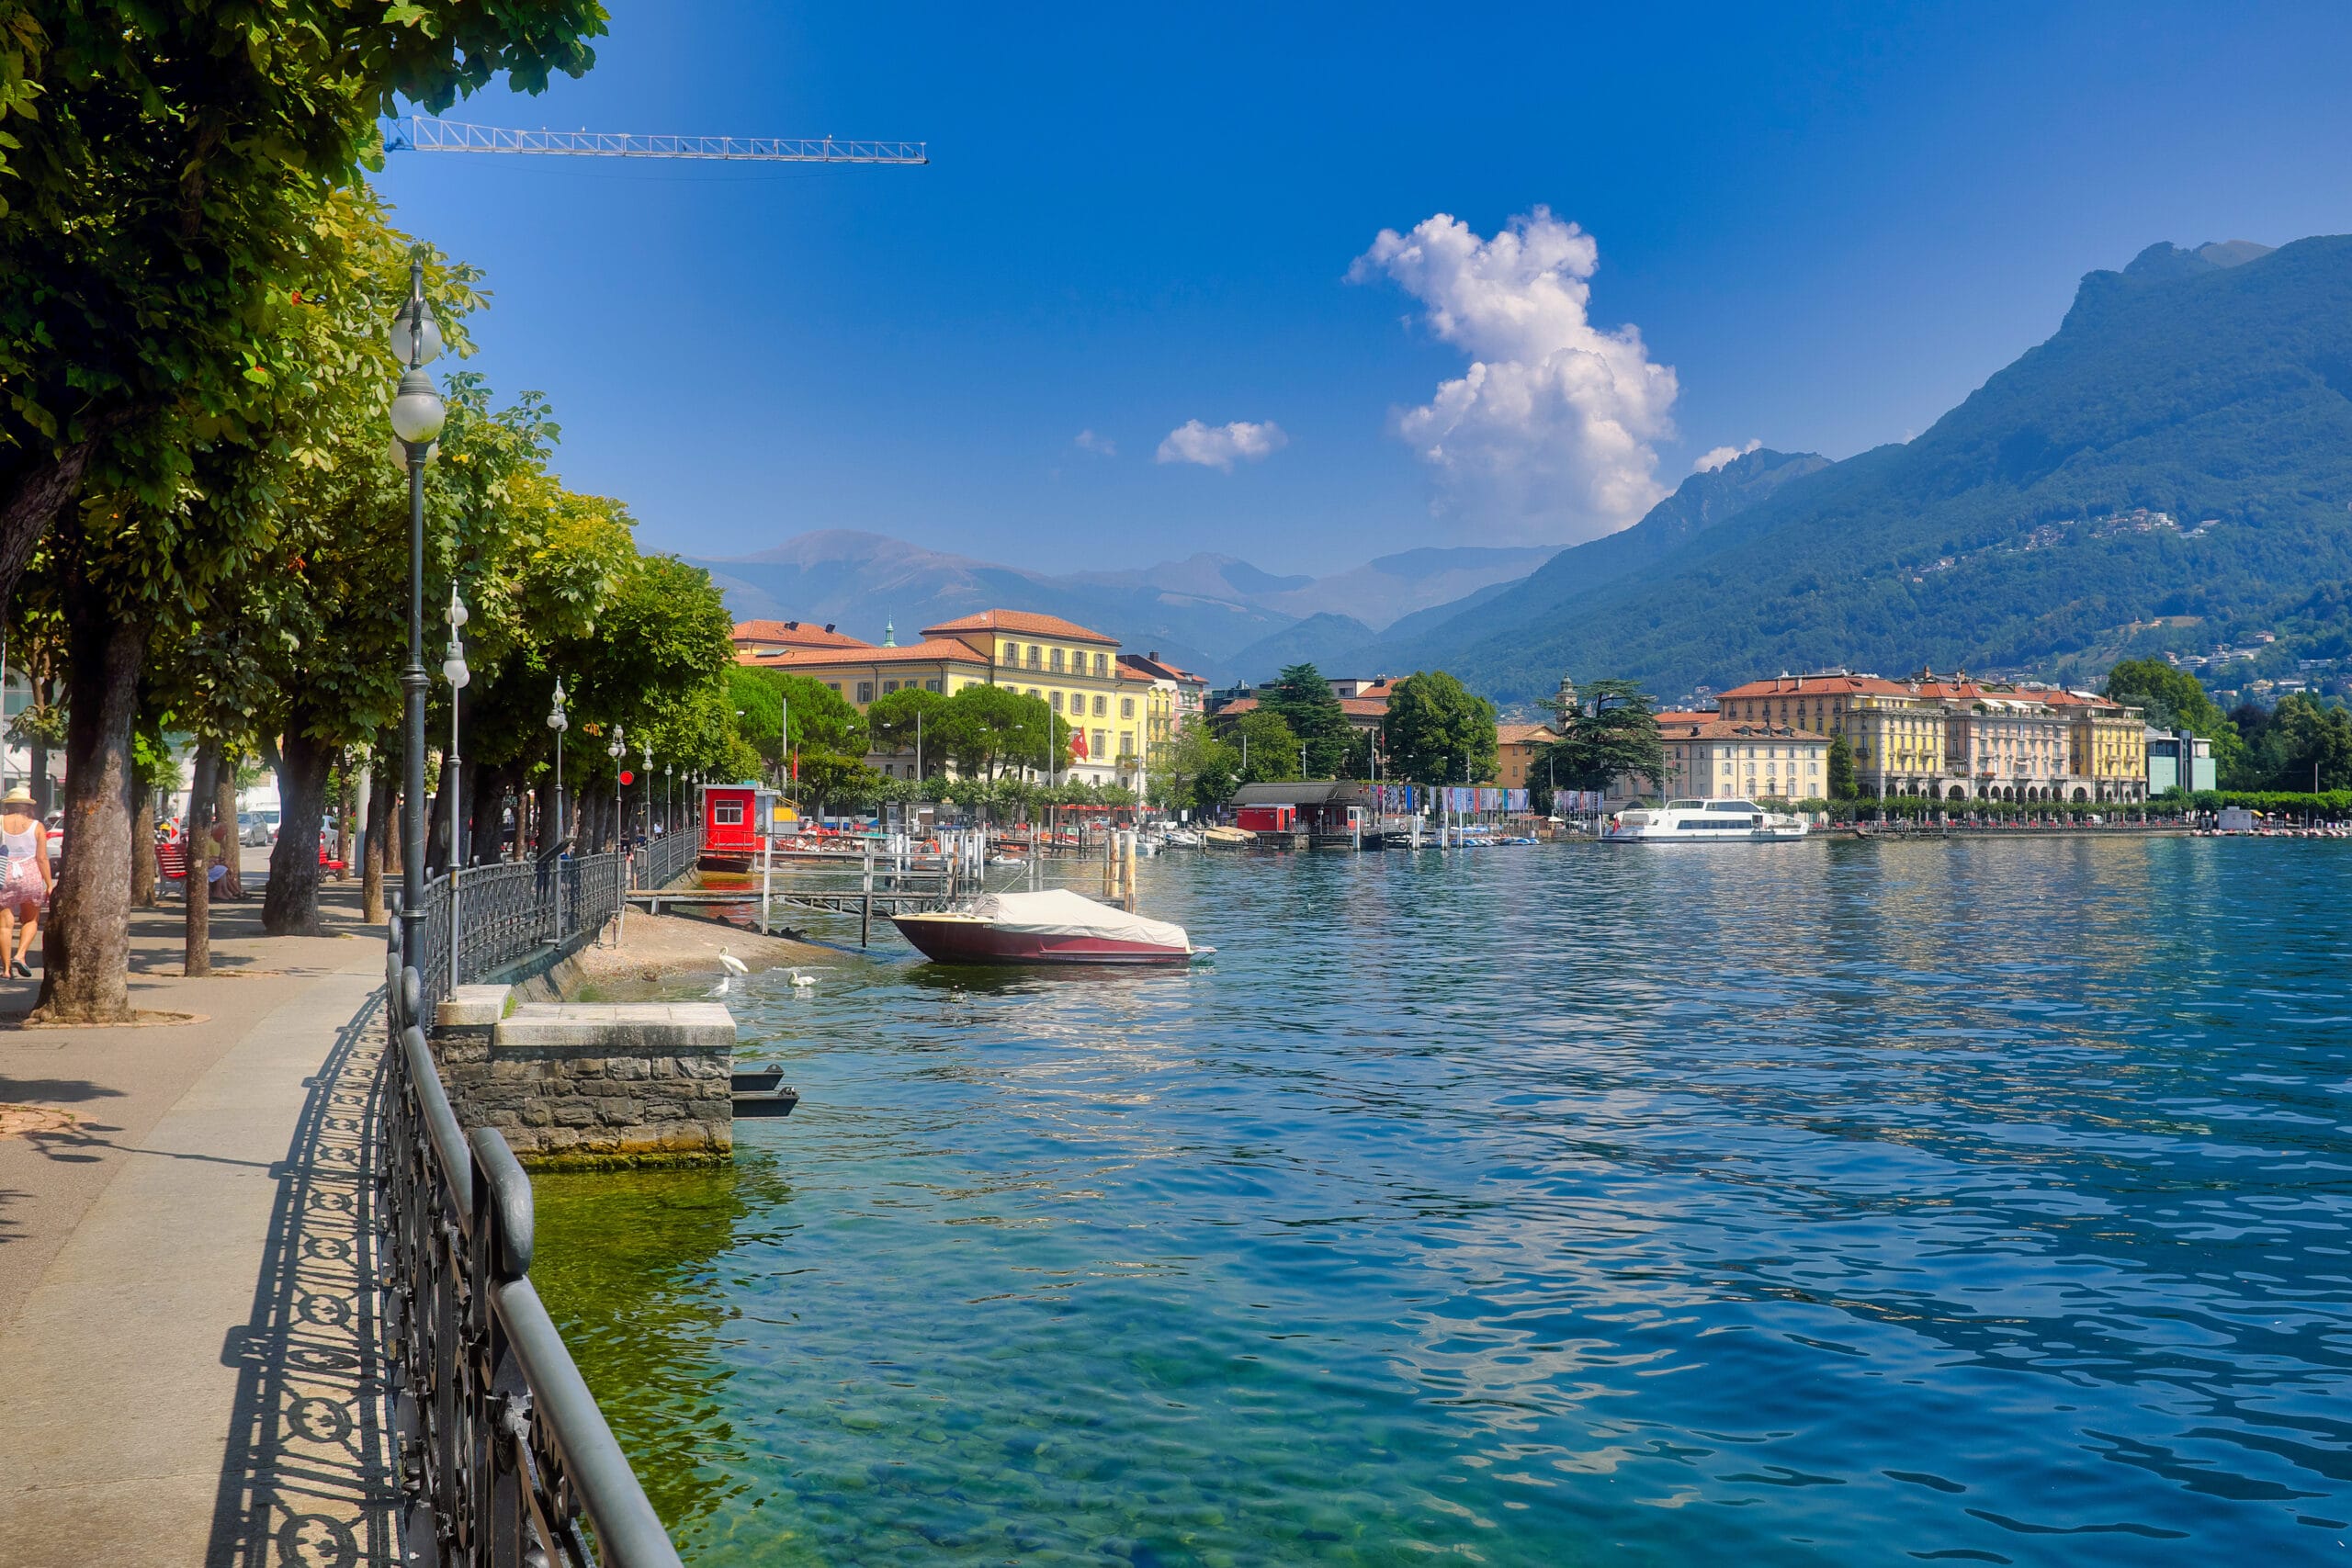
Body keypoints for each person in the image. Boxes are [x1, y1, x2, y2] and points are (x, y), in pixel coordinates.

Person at [0, 785, 54, 977]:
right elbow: (42, 858)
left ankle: (6, 970)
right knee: (31, 919)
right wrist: (49, 884)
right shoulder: (37, 826)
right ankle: (21, 955)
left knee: (4, 924)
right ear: (27, 806)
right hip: (30, 872)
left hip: (4, 871)